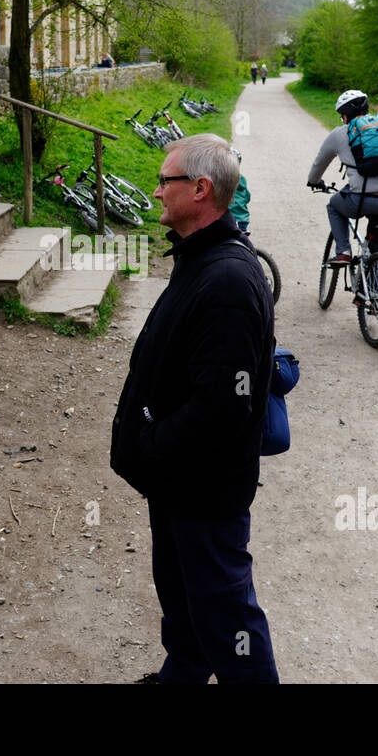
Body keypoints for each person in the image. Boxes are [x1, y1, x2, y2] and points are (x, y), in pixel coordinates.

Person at [111, 133, 278, 685]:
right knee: (183, 597)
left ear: (200, 190)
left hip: (203, 487)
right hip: (179, 480)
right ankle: (179, 675)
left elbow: (223, 407)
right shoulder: (199, 258)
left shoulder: (227, 278)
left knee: (228, 614)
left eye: (166, 181)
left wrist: (153, 446)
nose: (156, 191)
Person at [307, 89, 378, 266]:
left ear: (345, 115)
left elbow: (319, 163)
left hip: (362, 199)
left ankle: (343, 252)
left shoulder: (340, 133)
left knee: (334, 206)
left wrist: (314, 181)